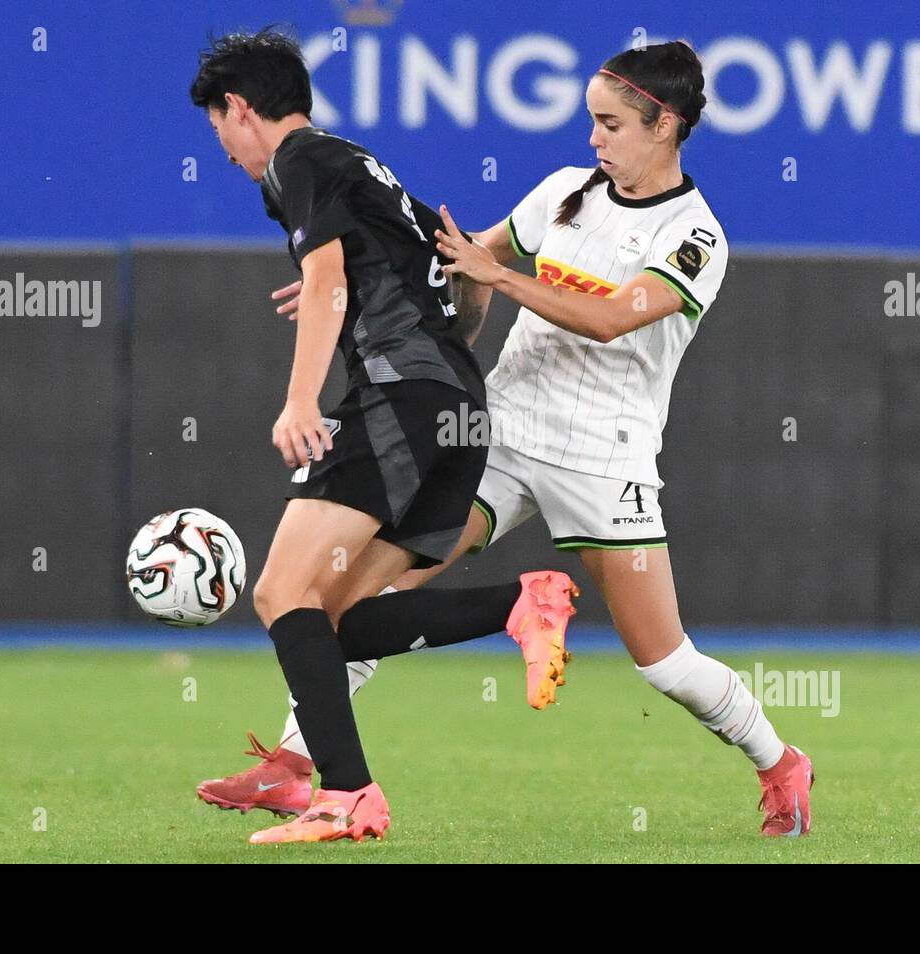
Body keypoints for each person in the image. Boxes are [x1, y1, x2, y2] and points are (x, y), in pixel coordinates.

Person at [188, 28, 579, 845]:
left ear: (239, 107)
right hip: (454, 409)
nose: (220, 146)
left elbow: (329, 279)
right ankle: (522, 601)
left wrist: (301, 401)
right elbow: (422, 282)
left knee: (279, 595)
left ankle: (347, 794)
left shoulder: (297, 161)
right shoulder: (357, 163)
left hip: (400, 400)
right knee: (331, 619)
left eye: (217, 124)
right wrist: (353, 288)